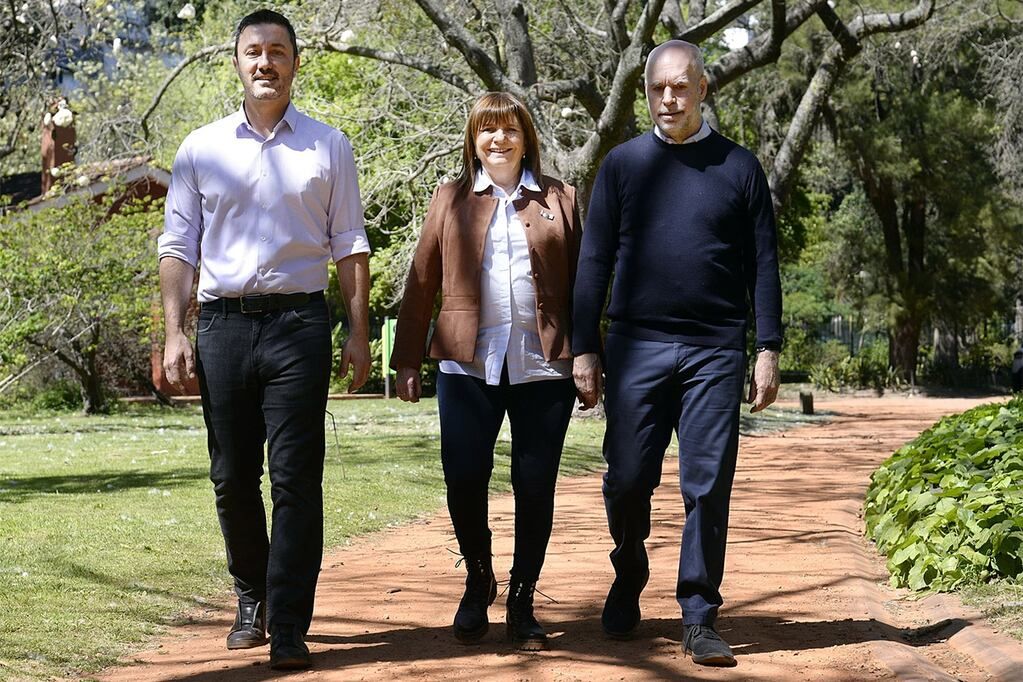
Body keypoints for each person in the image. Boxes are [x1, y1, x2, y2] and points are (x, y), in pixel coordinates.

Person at [158, 9, 371, 671]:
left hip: (300, 324)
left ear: (295, 62)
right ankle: (250, 595)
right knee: (230, 477)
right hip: (222, 326)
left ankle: (289, 622)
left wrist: (358, 334)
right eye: (253, 51)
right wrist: (174, 331)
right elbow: (177, 247)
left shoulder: (328, 145)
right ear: (236, 62)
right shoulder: (200, 149)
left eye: (277, 51)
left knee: (295, 481)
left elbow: (350, 245)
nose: (264, 63)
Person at [572, 40, 782, 667]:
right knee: (627, 478)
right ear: (647, 92)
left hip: (715, 347)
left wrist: (766, 345)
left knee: (707, 480)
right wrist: (585, 347)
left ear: (703, 87)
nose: (669, 98)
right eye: (659, 88)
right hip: (635, 343)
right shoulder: (622, 165)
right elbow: (594, 261)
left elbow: (764, 263)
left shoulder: (740, 168)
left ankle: (698, 611)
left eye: (681, 86)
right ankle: (629, 569)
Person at [390, 92, 581, 651]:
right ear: (473, 140)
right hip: (465, 364)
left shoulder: (560, 198)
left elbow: (587, 284)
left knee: (534, 484)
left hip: (544, 367)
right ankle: (479, 577)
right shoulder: (449, 199)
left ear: (527, 138)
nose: (499, 140)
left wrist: (590, 355)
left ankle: (522, 596)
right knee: (465, 477)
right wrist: (406, 359)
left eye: (510, 130)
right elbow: (421, 281)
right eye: (487, 131)